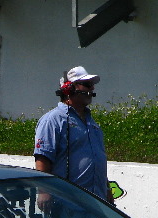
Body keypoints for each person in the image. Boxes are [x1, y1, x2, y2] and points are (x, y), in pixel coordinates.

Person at [33, 66, 112, 203]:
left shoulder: (92, 124)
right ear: (69, 88)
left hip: (94, 204)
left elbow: (95, 159)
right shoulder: (53, 120)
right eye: (87, 85)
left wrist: (107, 190)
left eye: (92, 85)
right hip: (67, 203)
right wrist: (44, 191)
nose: (92, 89)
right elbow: (43, 158)